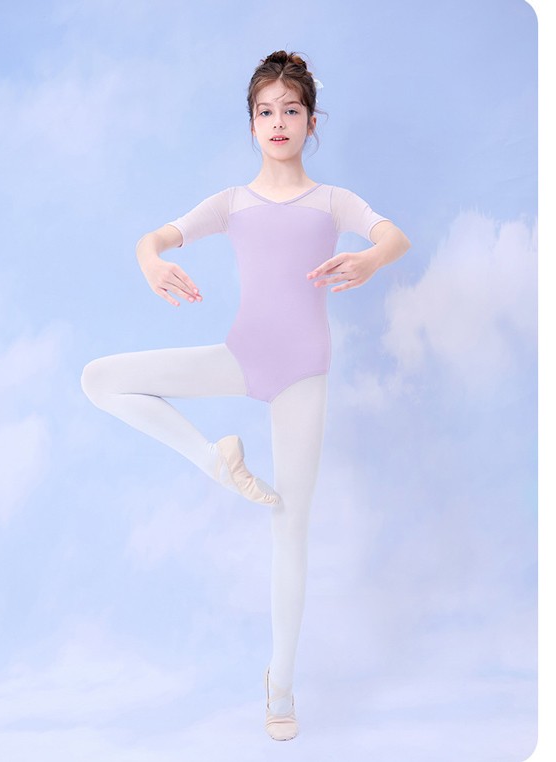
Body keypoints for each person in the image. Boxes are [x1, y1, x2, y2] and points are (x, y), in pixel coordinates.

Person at [81, 49, 411, 741]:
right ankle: (214, 462)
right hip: (241, 357)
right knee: (100, 378)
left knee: (290, 527)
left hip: (304, 372)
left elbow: (393, 235)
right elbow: (154, 237)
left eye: (292, 109)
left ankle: (279, 686)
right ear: (252, 124)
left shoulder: (333, 201)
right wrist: (151, 261)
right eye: (266, 110)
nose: (279, 120)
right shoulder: (232, 203)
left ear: (311, 121)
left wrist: (371, 257)